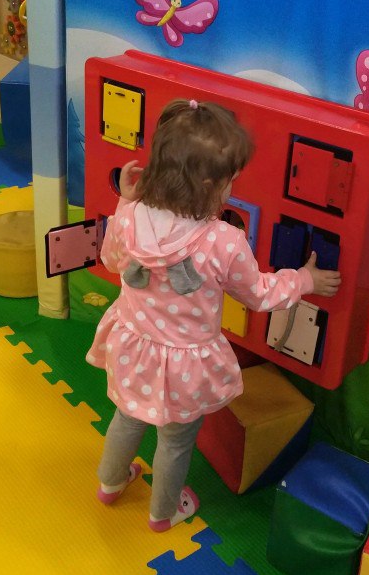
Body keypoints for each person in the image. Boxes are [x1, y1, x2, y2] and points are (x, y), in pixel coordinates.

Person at [86, 98, 341, 531]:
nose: (232, 189)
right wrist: (305, 280)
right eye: (230, 182)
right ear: (208, 185)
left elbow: (111, 260)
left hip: (133, 348)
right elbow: (259, 295)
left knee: (126, 417)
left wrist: (124, 204)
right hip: (184, 365)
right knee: (175, 440)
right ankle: (163, 513)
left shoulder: (131, 216)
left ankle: (110, 484)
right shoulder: (223, 240)